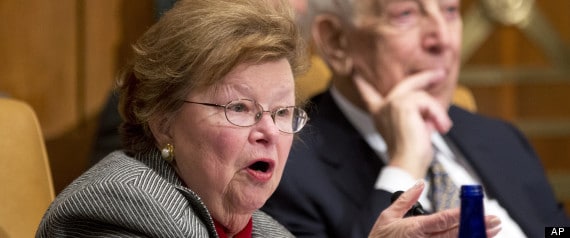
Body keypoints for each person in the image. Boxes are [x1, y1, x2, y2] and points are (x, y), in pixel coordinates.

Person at [36, 0, 501, 237]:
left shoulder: (267, 230)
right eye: (239, 108)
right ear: (162, 121)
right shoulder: (117, 205)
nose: (268, 133)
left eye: (282, 113)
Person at [262, 0, 570, 237]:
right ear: (336, 41)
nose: (443, 40)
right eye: (406, 14)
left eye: (450, 11)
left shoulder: (499, 137)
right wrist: (404, 166)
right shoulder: (282, 169)